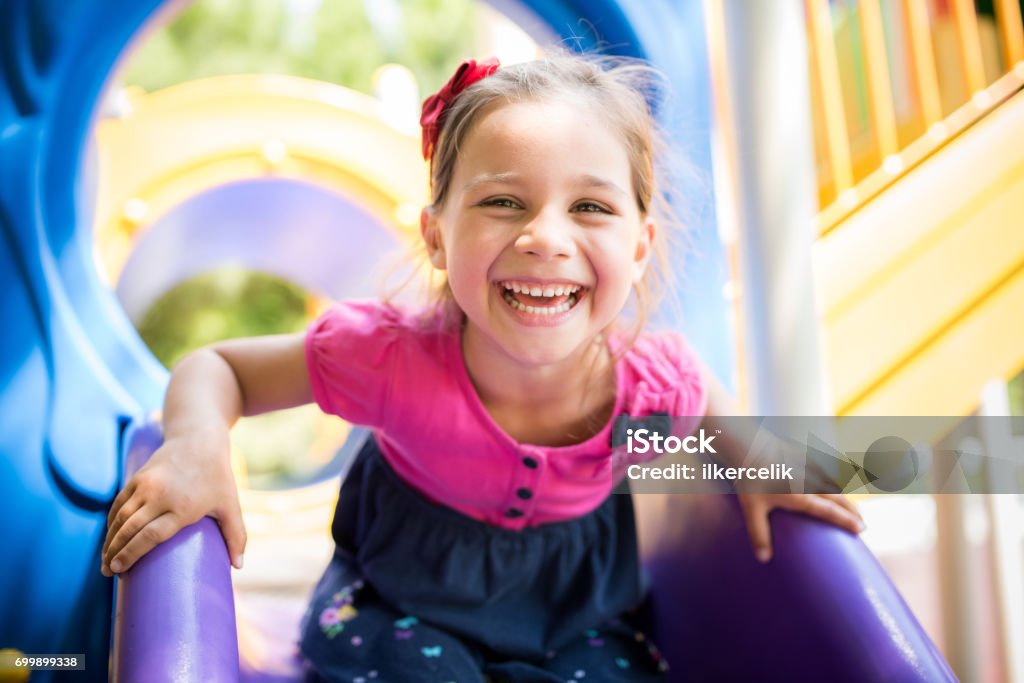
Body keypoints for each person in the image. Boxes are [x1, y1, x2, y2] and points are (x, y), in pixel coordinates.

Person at [101, 52, 866, 682]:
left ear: (639, 245)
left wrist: (765, 461)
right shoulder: (390, 355)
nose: (545, 237)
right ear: (437, 236)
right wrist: (198, 444)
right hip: (399, 606)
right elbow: (218, 367)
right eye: (503, 202)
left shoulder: (652, 381)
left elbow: (720, 427)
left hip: (576, 622)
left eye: (591, 208)